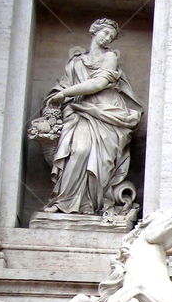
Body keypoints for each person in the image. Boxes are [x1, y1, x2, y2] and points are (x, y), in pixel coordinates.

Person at [38, 17, 142, 216]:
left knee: (101, 160)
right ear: (94, 31)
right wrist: (56, 96)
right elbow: (62, 85)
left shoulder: (110, 57)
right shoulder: (76, 61)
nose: (107, 38)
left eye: (111, 37)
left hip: (105, 112)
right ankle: (64, 201)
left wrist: (64, 94)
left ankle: (91, 205)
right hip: (78, 111)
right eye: (105, 33)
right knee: (78, 150)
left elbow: (98, 84)